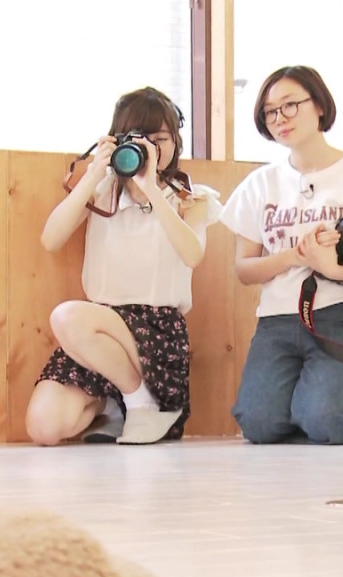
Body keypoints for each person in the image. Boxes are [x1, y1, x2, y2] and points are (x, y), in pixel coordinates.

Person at [218, 65, 343, 445]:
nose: (280, 118)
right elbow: (244, 269)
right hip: (276, 322)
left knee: (328, 421)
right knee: (257, 425)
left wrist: (337, 270)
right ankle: (309, 411)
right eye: (270, 112)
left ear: (320, 105)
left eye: (290, 105)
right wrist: (295, 256)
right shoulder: (260, 184)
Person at [25, 86, 225, 446]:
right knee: (44, 426)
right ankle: (118, 409)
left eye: (160, 139)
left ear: (176, 142)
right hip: (97, 332)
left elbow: (192, 254)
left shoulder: (188, 197)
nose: (149, 148)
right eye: (139, 139)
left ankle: (143, 403)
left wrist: (152, 189)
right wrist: (93, 174)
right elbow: (51, 239)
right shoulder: (103, 190)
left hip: (156, 333)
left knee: (67, 317)